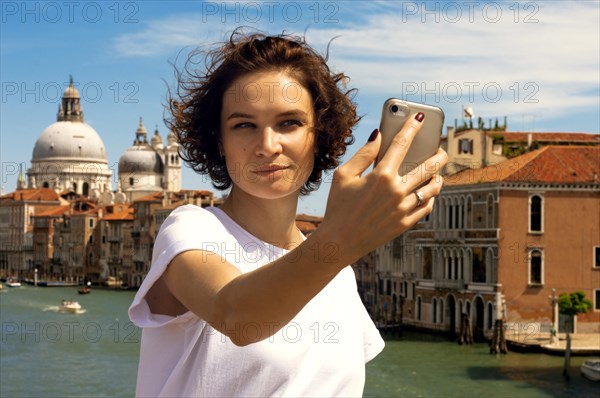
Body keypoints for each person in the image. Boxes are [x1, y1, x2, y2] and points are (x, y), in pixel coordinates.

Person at [128, 29, 448, 397]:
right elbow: (236, 316)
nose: (267, 146)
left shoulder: (339, 275)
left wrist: (338, 246)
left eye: (289, 123)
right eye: (244, 125)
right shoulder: (190, 229)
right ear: (219, 140)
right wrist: (340, 239)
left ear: (319, 134)